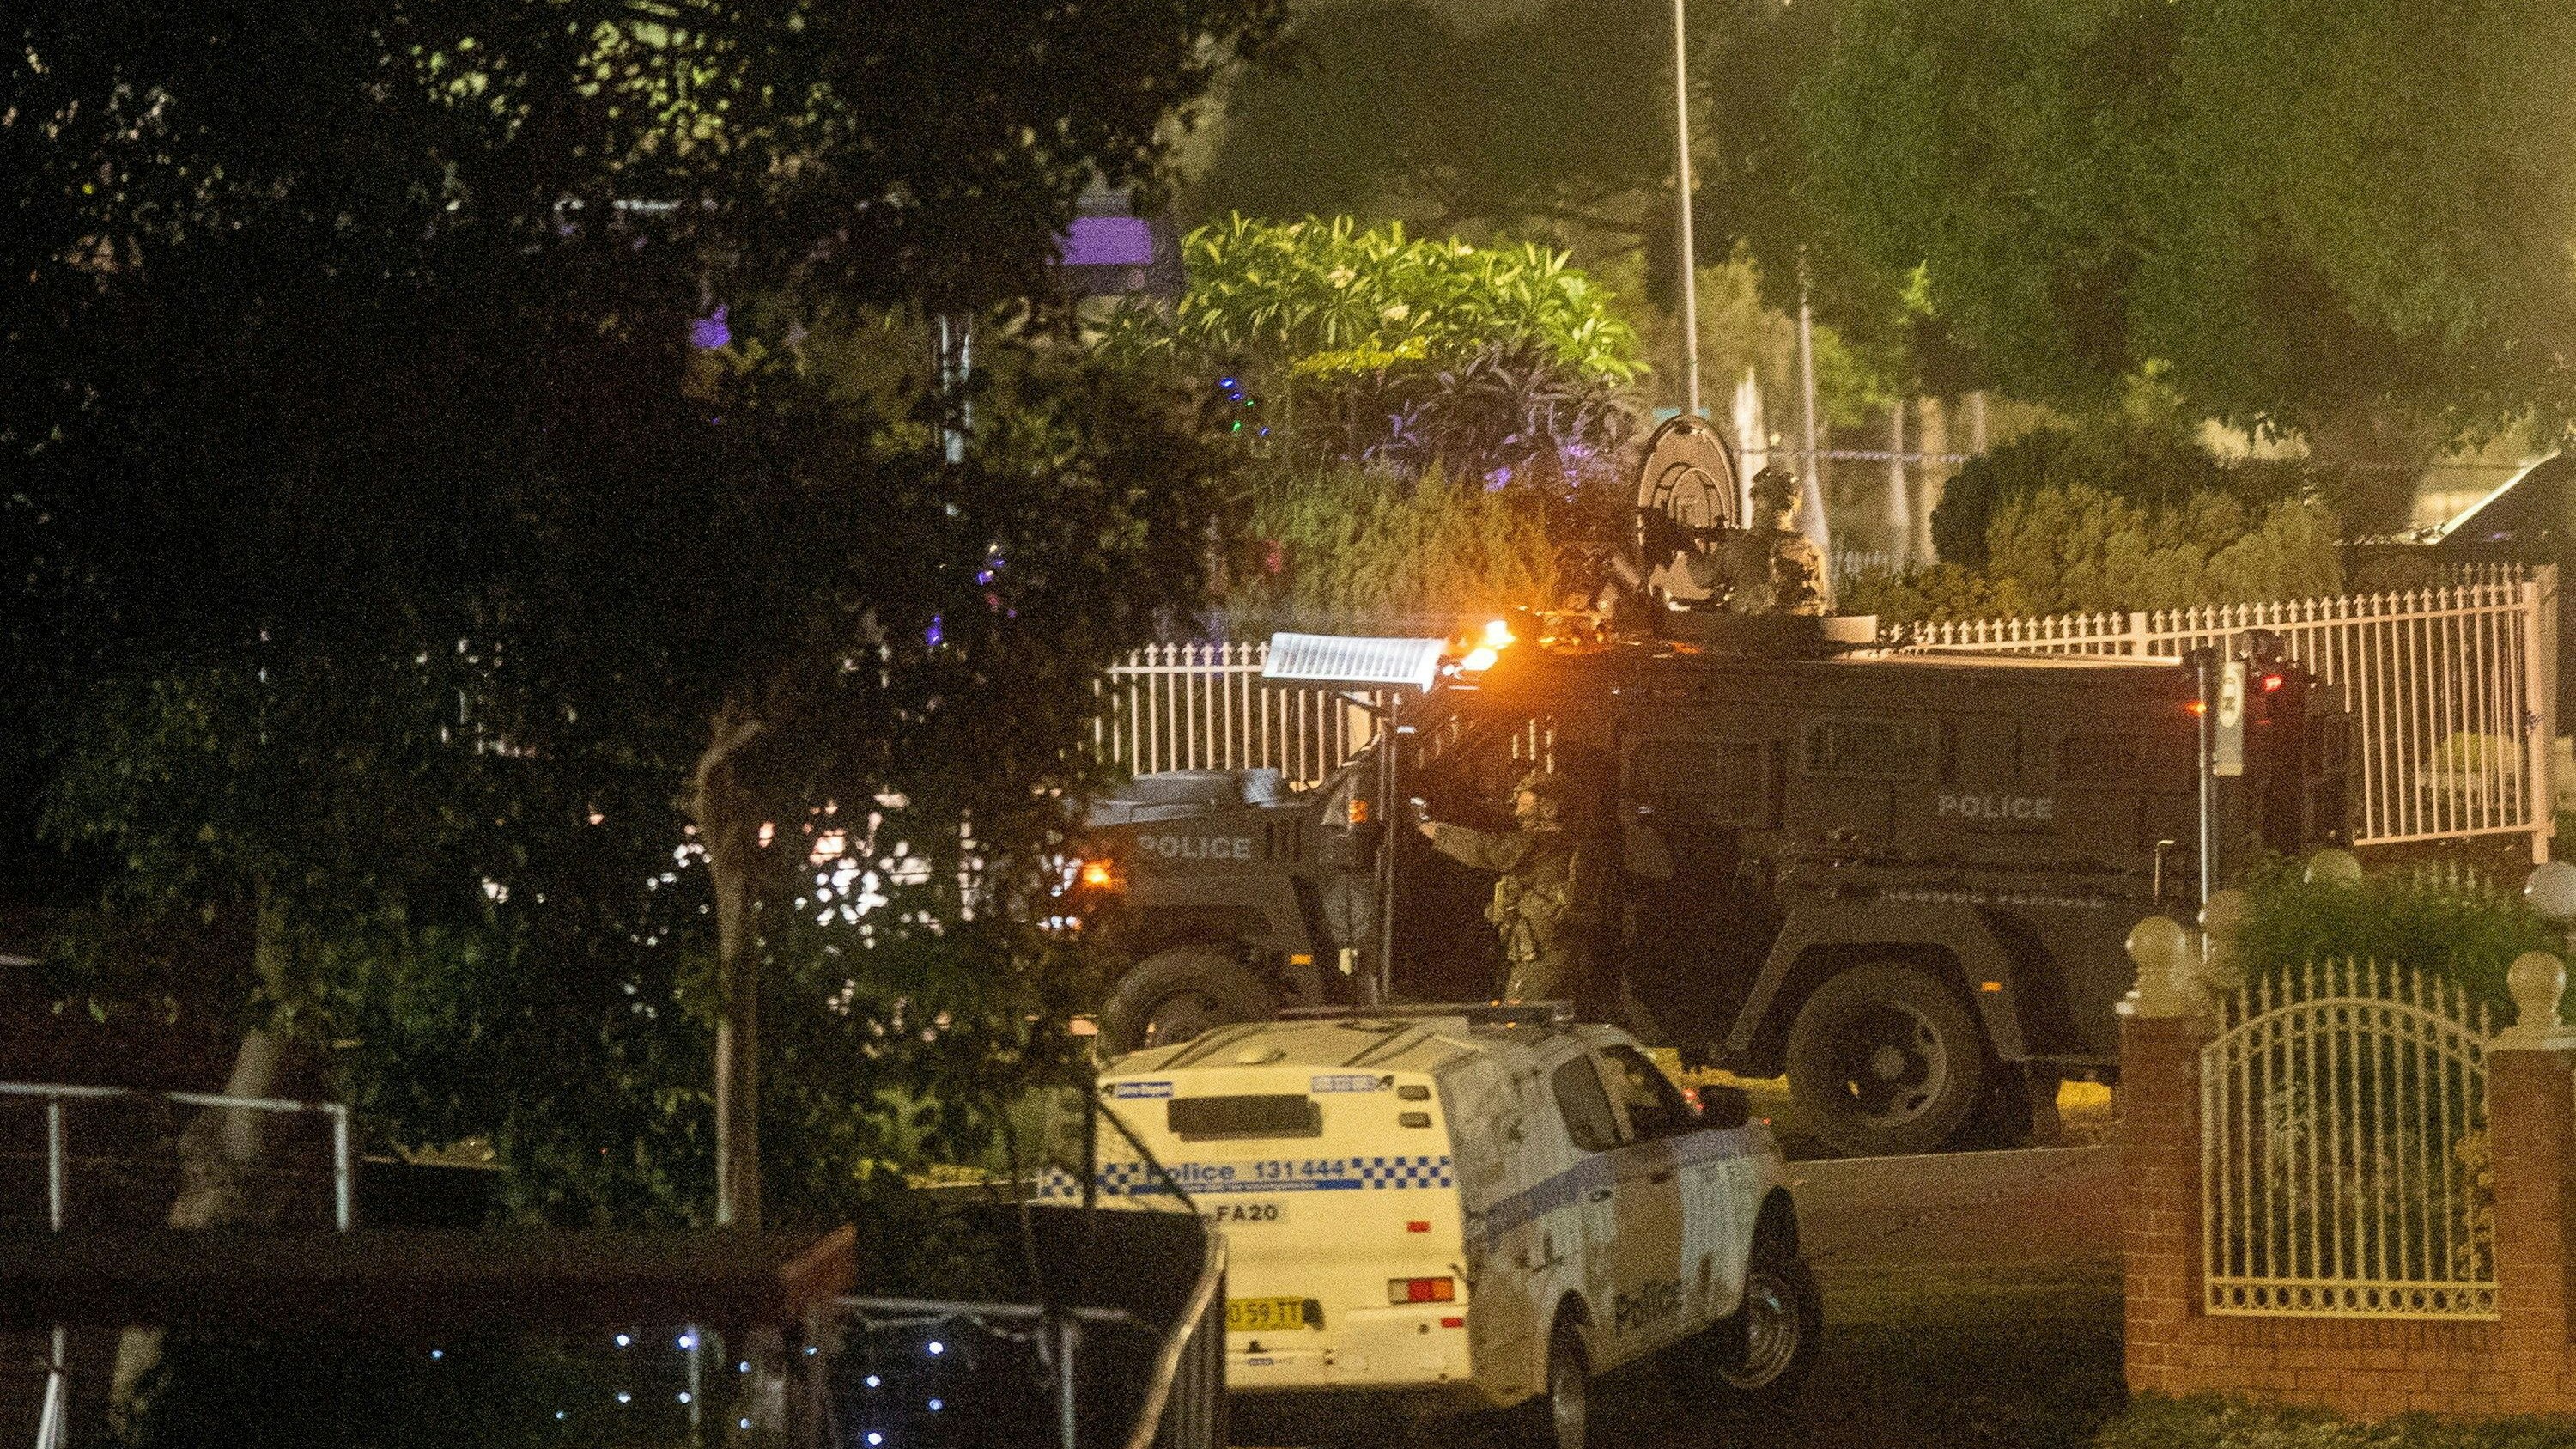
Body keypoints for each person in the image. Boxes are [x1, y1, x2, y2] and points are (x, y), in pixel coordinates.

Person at [1415, 770, 1589, 1003]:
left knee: (1520, 1020)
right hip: (1547, 953)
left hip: (1541, 959)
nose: (1517, 809)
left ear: (1548, 805)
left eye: (1525, 801)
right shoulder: (1565, 840)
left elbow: (1488, 850)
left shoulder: (1545, 841)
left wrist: (1434, 831)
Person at [1693, 465, 1825, 616]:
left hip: (1750, 635)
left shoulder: (1739, 549)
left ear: (1760, 503)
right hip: (1799, 635)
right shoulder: (1811, 549)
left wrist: (1689, 549)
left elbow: (1702, 577)